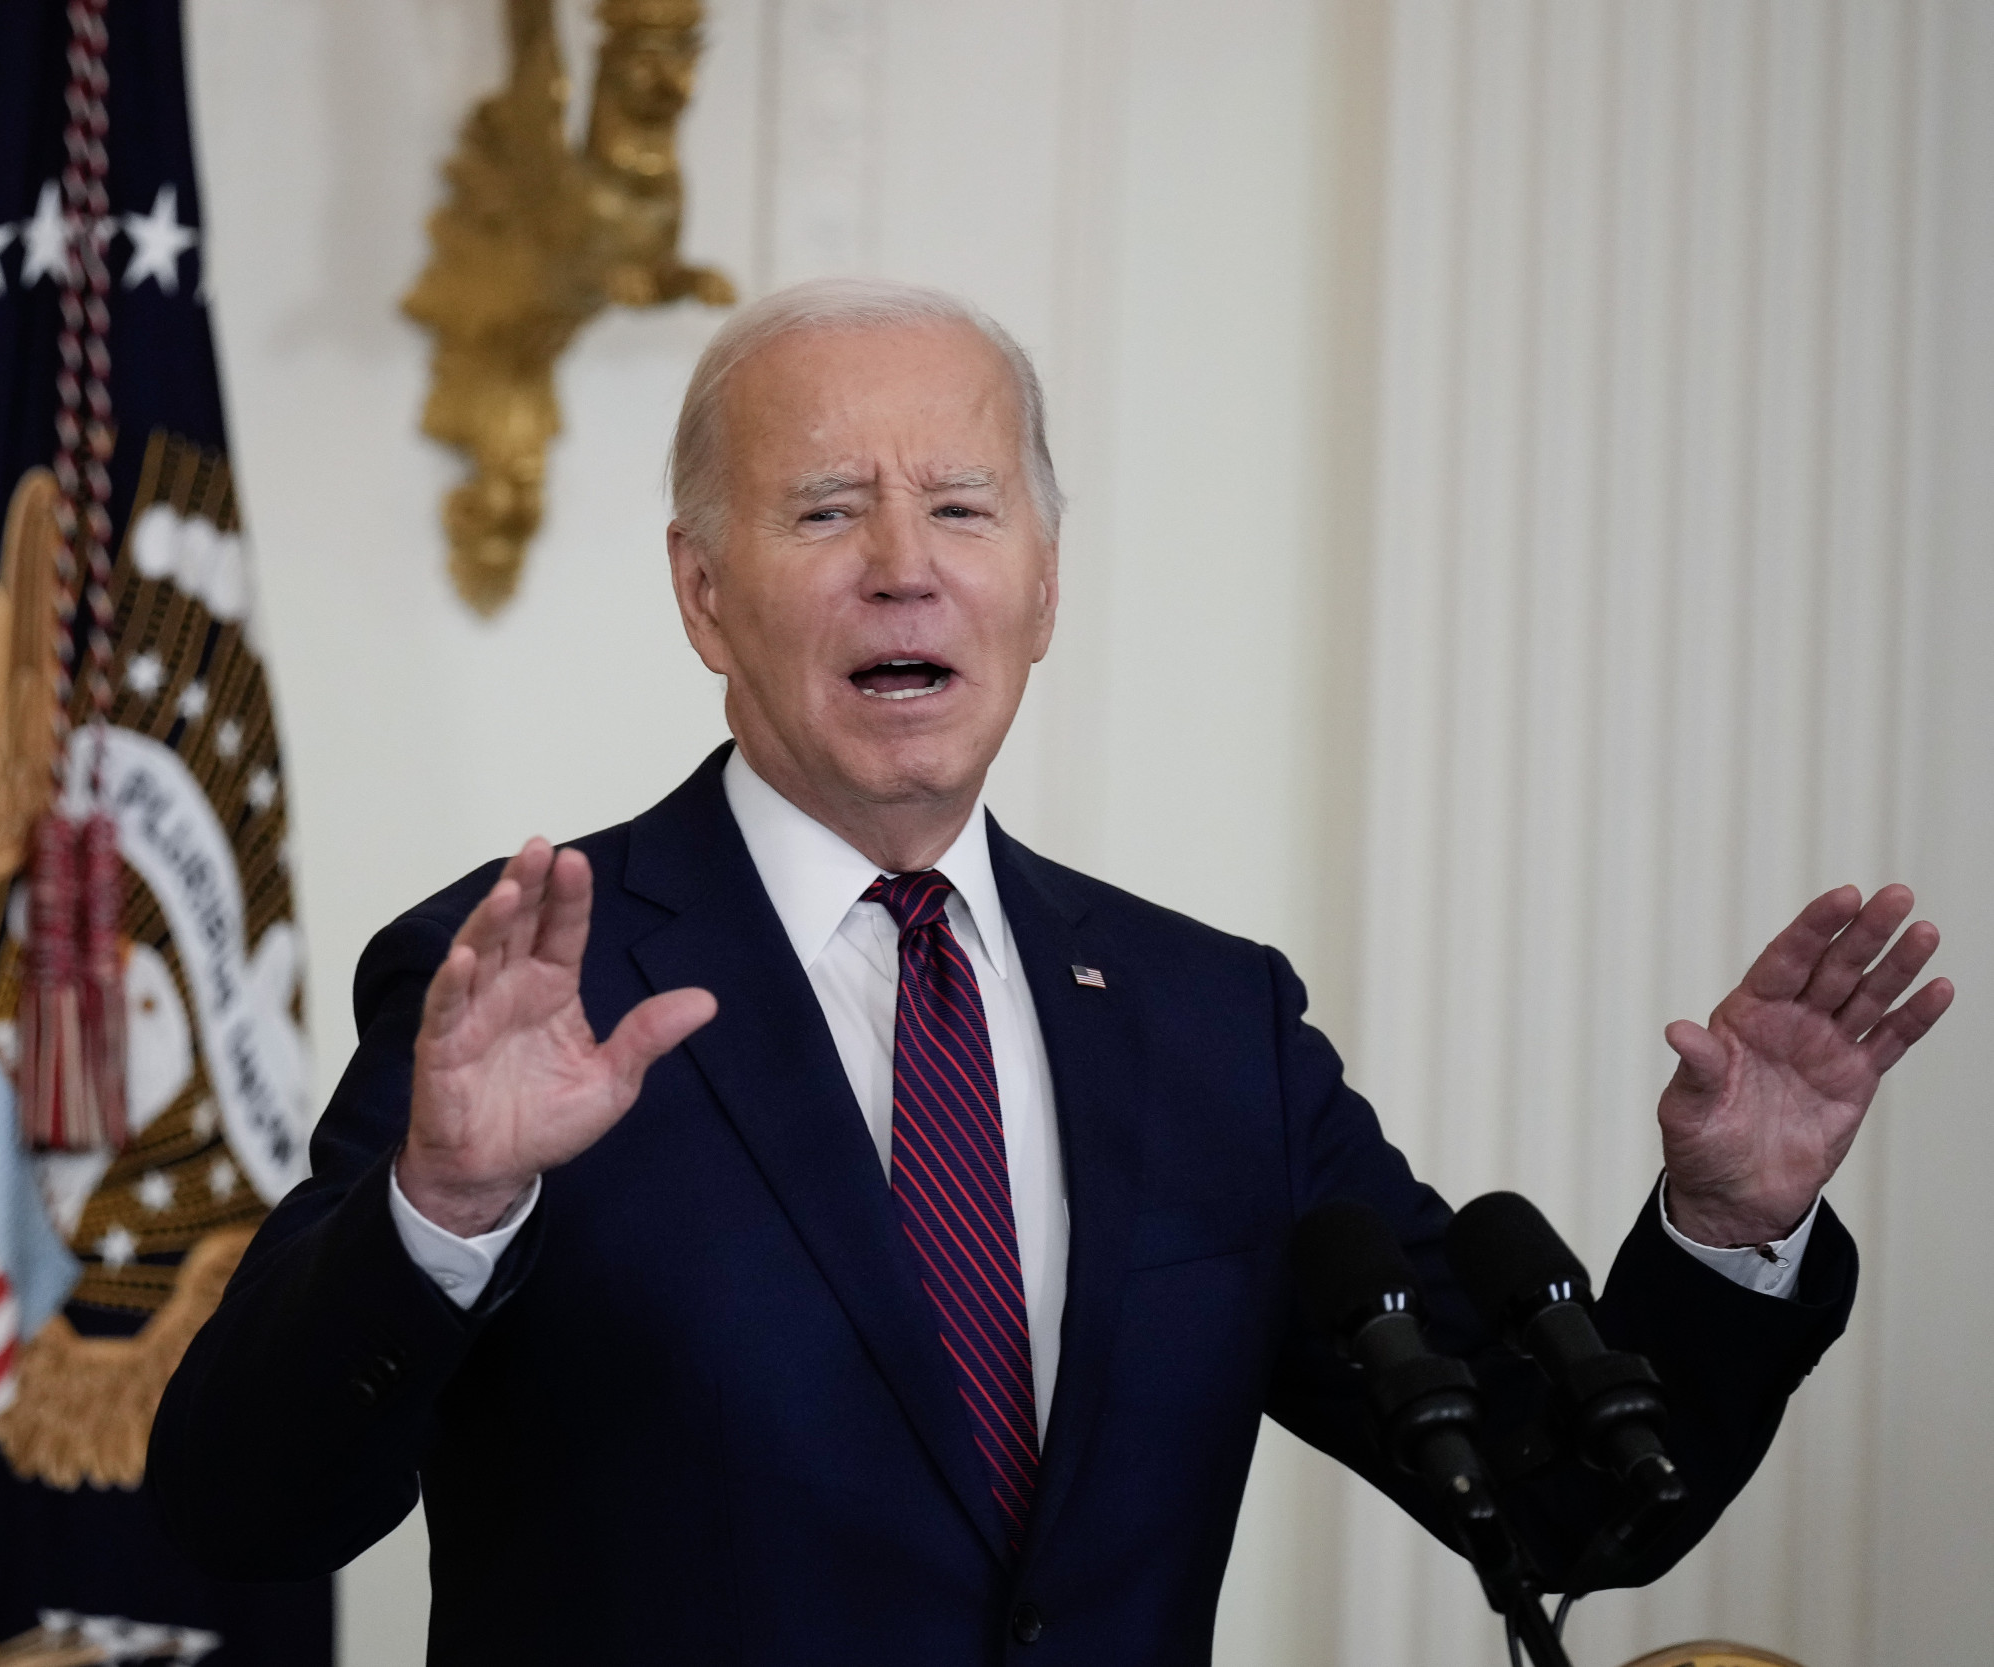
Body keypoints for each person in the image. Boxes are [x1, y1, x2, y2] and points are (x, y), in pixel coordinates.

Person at [149, 279, 1952, 1663]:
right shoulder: (525, 975)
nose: (904, 573)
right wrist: (443, 1207)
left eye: (962, 508)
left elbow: (1561, 1512)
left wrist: (1726, 1237)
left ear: (1046, 584)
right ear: (704, 595)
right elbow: (241, 1511)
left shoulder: (1206, 1024)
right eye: (827, 511)